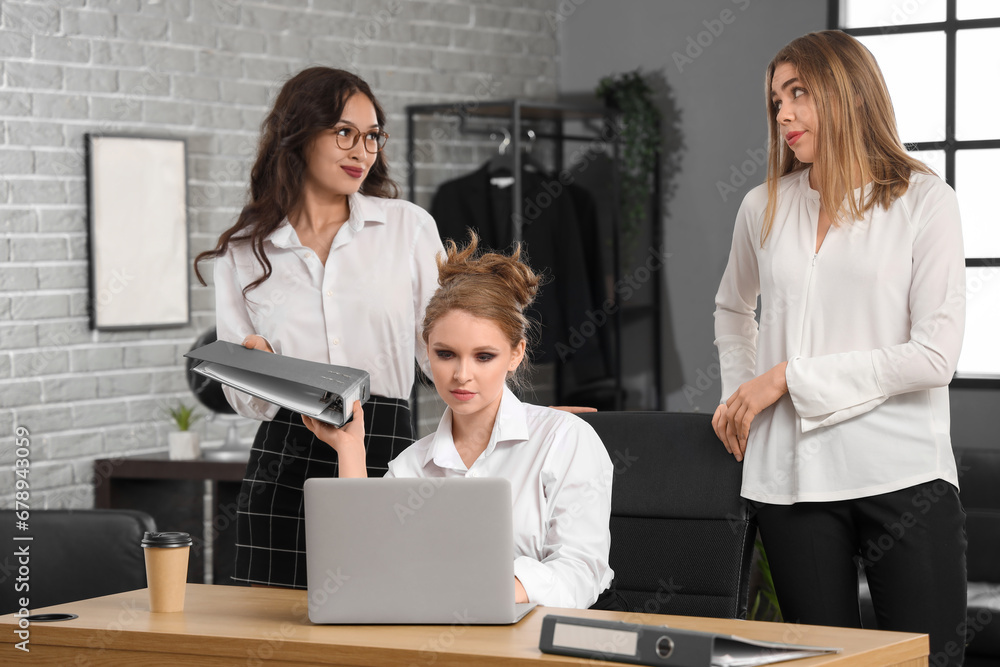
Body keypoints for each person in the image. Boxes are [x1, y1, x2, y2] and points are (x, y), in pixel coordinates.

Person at [712, 30, 967, 665]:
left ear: (849, 93)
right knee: (819, 664)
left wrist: (787, 379)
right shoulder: (762, 206)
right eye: (776, 99)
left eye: (799, 93)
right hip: (792, 479)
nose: (783, 114)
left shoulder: (925, 202)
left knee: (928, 660)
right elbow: (730, 308)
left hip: (903, 473)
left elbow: (935, 356)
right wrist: (740, 396)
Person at [194, 67, 445, 589]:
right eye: (345, 133)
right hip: (284, 453)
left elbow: (444, 351)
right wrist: (255, 370)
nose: (363, 150)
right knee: (270, 625)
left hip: (384, 443)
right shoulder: (245, 249)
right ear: (299, 134)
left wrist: (522, 419)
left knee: (386, 607)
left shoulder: (406, 227)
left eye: (372, 135)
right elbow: (244, 398)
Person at [304, 233, 614, 609]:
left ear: (516, 354)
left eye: (484, 356)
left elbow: (581, 572)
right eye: (446, 354)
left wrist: (482, 592)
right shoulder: (412, 466)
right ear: (427, 351)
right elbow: (363, 568)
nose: (461, 375)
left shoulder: (566, 440)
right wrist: (349, 449)